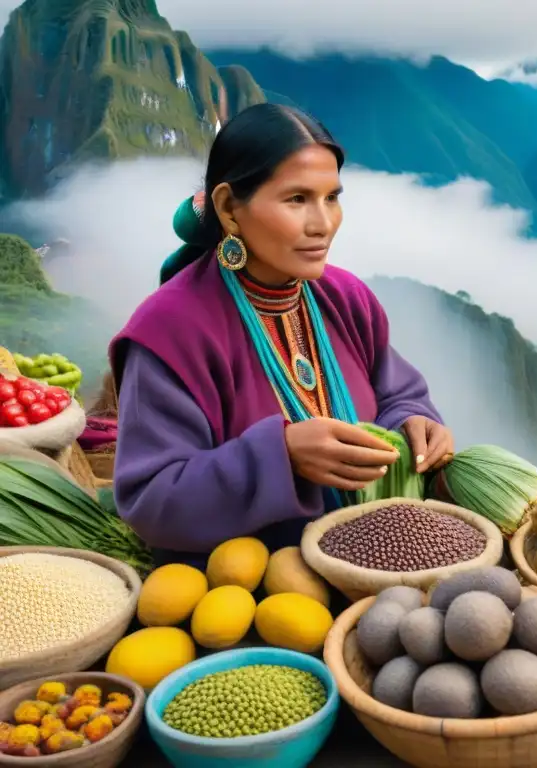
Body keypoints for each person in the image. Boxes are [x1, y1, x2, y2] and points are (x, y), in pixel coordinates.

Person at [110, 103, 453, 563]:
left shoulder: (344, 297)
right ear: (230, 208)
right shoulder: (170, 331)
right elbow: (151, 501)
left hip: (378, 563)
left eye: (332, 197)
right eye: (297, 199)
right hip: (252, 593)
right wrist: (282, 455)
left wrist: (414, 423)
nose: (323, 224)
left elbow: (397, 394)